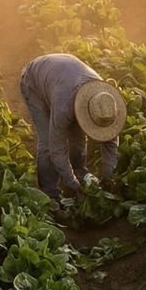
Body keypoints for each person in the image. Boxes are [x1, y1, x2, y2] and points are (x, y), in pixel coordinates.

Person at [19, 53, 126, 198]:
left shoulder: (103, 101)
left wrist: (107, 176)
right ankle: (50, 193)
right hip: (34, 82)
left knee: (77, 136)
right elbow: (56, 147)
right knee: (47, 144)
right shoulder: (65, 106)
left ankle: (80, 171)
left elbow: (111, 142)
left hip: (63, 75)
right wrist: (72, 183)